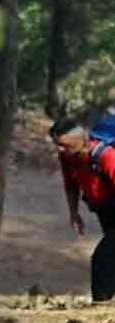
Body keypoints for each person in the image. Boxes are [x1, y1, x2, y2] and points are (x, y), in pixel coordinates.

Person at [50, 119, 115, 301]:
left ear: (82, 139)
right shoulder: (67, 157)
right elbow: (70, 185)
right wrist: (73, 212)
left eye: (63, 145)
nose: (59, 150)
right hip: (104, 211)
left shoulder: (107, 156)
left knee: (102, 259)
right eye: (57, 145)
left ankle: (100, 305)